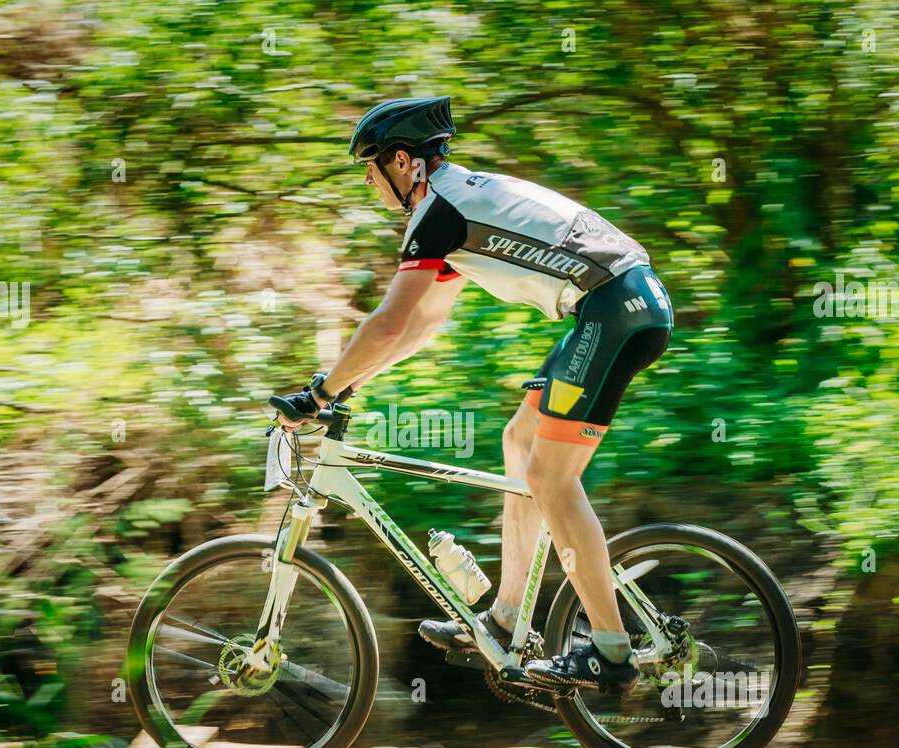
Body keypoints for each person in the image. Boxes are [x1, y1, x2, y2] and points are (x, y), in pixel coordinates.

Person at [271, 96, 675, 693]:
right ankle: (508, 617)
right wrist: (345, 386)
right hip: (612, 306)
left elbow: (386, 324)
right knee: (520, 441)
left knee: (553, 480)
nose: (367, 178)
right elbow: (420, 325)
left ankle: (611, 653)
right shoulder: (456, 206)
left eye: (371, 165)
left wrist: (317, 393)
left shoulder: (439, 210)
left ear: (404, 163)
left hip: (615, 309)